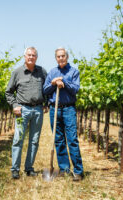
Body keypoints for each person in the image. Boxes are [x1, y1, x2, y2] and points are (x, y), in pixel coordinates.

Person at [5, 47, 47, 179]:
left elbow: (47, 89)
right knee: (18, 139)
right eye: (29, 55)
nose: (31, 57)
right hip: (22, 111)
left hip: (38, 110)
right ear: (24, 56)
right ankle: (15, 169)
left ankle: (29, 168)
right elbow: (8, 92)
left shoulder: (42, 71)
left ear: (36, 57)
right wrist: (15, 105)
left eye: (33, 55)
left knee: (34, 140)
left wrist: (45, 103)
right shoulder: (17, 72)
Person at [43, 47, 84, 181]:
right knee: (59, 140)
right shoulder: (52, 72)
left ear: (67, 57)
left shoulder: (74, 72)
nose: (61, 58)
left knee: (72, 139)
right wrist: (53, 83)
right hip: (55, 108)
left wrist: (64, 82)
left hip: (68, 109)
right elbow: (45, 90)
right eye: (58, 56)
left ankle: (78, 171)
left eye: (63, 56)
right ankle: (64, 168)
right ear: (56, 58)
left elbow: (75, 89)